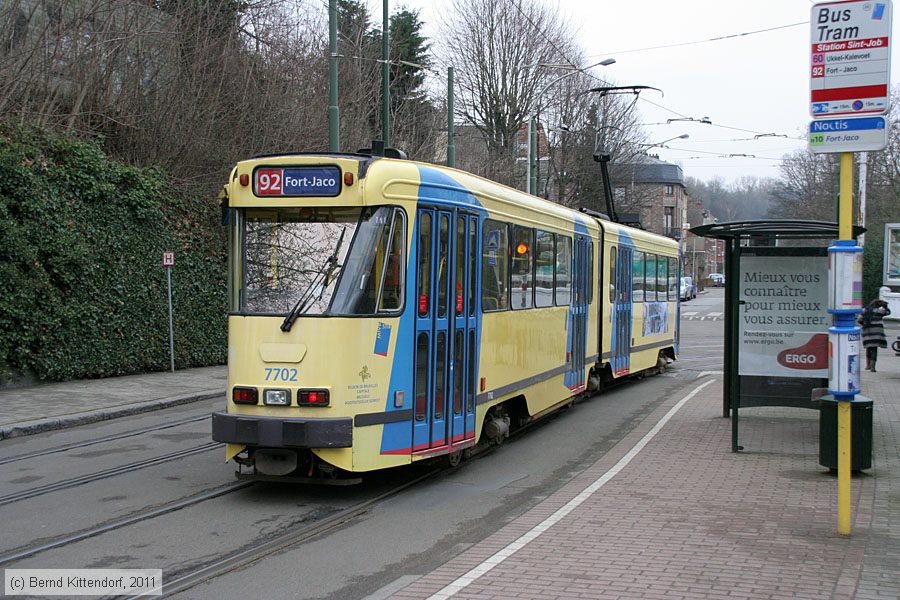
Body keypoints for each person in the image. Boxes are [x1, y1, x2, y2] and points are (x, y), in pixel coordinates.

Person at [860, 299, 891, 372]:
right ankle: (872, 367)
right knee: (874, 349)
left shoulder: (864, 310)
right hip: (877, 333)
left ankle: (868, 365)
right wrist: (885, 306)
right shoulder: (879, 311)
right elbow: (888, 312)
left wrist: (865, 324)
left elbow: (859, 320)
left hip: (867, 332)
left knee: (868, 347)